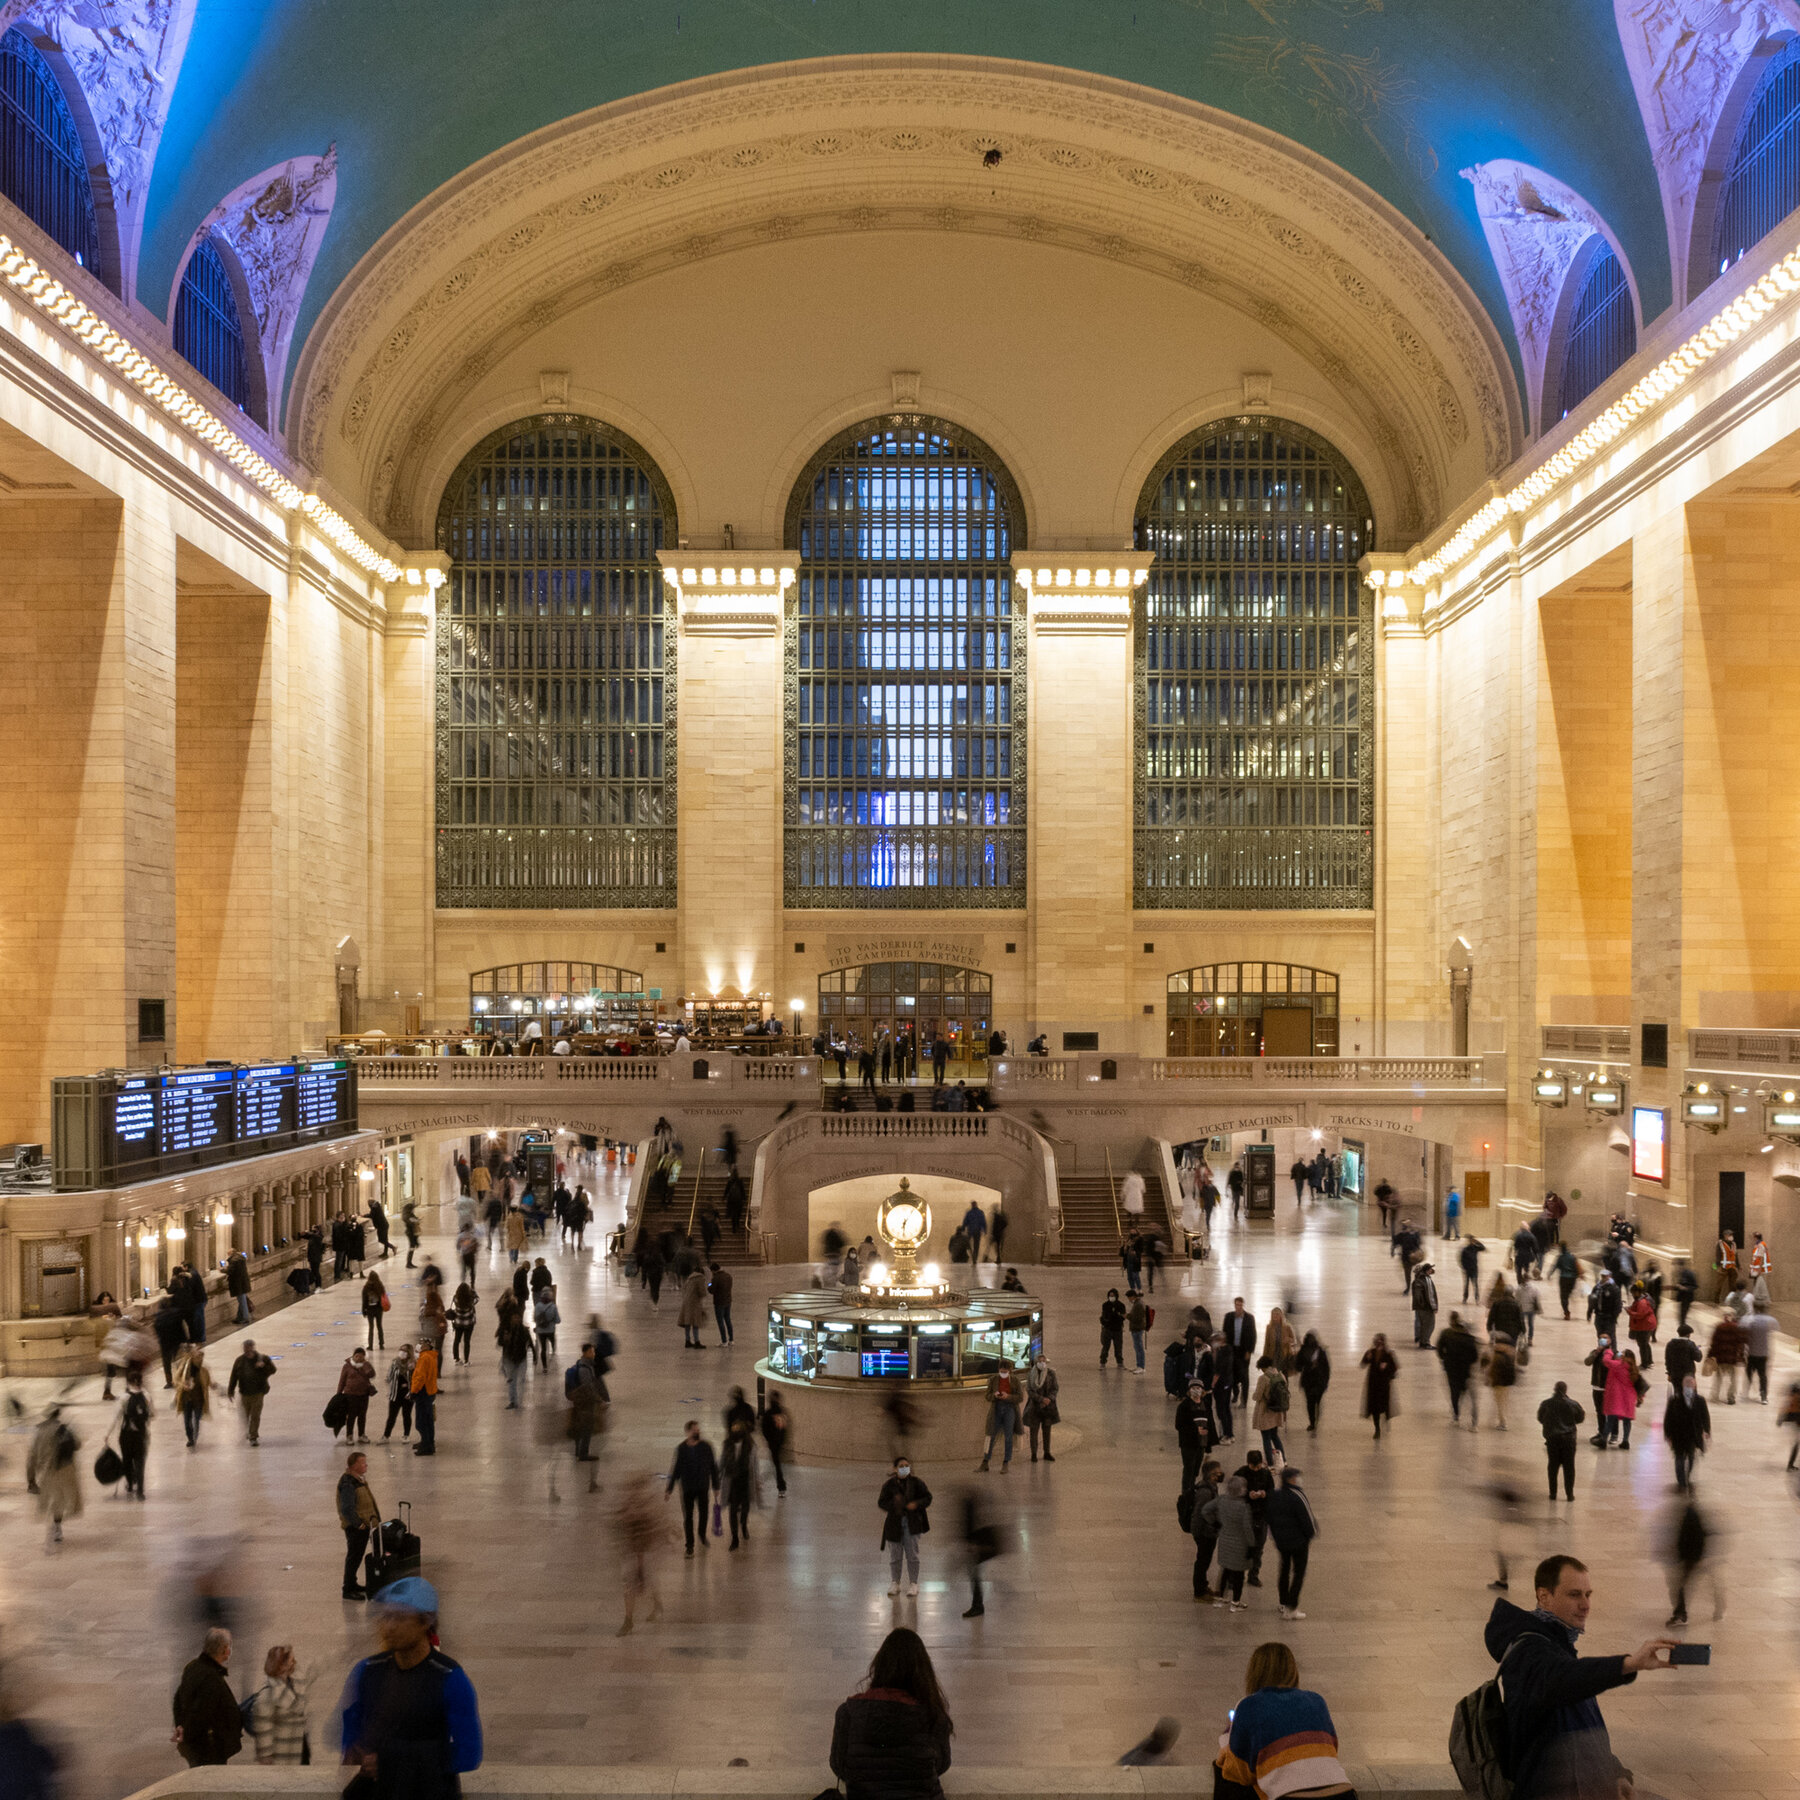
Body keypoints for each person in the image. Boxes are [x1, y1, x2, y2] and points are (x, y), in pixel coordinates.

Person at [1484, 1555, 1677, 1800]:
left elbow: (1582, 1723)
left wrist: (1615, 1773)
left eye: (1588, 1594)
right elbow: (1563, 1680)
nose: (1585, 1604)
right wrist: (1627, 1664)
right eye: (1574, 1594)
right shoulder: (1529, 1651)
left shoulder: (1557, 1644)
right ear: (1544, 1596)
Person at [338, 1575, 483, 1800]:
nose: (389, 1627)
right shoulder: (367, 1670)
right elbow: (351, 1726)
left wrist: (391, 1762)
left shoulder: (450, 1678)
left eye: (400, 1618)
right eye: (386, 1617)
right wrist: (354, 1747)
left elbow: (469, 1754)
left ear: (426, 1622)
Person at [829, 1627, 953, 1800]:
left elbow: (839, 1765)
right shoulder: (933, 1715)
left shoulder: (849, 1713)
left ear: (880, 1666)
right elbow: (941, 1765)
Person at [1214, 1642, 1350, 1796]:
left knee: (1223, 1774)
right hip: (1343, 1792)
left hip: (1293, 1797)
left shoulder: (1249, 1705)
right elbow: (1331, 1747)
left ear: (1255, 1672)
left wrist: (1228, 1739)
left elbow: (1239, 1773)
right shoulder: (1316, 1700)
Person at [172, 1628, 241, 1767]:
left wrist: (180, 1725)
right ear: (224, 1650)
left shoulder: (193, 1667)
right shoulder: (211, 1678)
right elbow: (202, 1713)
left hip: (197, 1744)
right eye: (229, 1646)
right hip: (209, 1748)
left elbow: (178, 1699)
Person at [1264, 1466, 1318, 1621]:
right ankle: (1291, 1608)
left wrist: (1275, 1535)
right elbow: (1307, 1519)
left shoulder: (1274, 1495)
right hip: (1298, 1542)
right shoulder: (1297, 1495)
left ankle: (1283, 1602)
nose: (1299, 1479)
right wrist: (1310, 1535)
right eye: (1296, 1477)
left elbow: (1268, 1517)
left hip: (1281, 1541)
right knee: (1299, 1573)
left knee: (1284, 1570)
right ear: (1290, 1479)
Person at [1201, 1475, 1257, 1612]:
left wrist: (1215, 1523)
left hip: (1224, 1540)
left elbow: (1205, 1510)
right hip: (1240, 1544)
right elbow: (1247, 1529)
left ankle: (1220, 1598)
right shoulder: (1243, 1507)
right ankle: (1235, 1602)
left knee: (1225, 1570)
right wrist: (1252, 1545)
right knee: (1238, 1574)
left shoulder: (1222, 1500)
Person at [878, 1454, 932, 1596]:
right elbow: (881, 1502)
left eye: (906, 1466)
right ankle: (895, 1582)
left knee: (912, 1555)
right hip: (894, 1524)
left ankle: (913, 1583)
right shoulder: (889, 1485)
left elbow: (928, 1497)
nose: (904, 1468)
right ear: (895, 1469)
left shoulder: (916, 1483)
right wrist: (894, 1505)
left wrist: (916, 1504)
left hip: (912, 1524)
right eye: (901, 1466)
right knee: (895, 1556)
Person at [26, 1407, 80, 1548]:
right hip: (65, 1470)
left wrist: (30, 1478)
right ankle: (57, 1525)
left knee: (54, 1500)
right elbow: (78, 1445)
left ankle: (56, 1526)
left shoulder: (39, 1432)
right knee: (58, 1500)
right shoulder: (64, 1428)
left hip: (47, 1471)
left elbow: (31, 1457)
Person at [248, 1645, 310, 1765]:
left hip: (298, 1752)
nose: (295, 1663)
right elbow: (264, 1731)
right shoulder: (267, 1695)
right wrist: (266, 1758)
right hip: (282, 1759)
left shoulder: (293, 1684)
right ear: (282, 1666)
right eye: (291, 1660)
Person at [666, 1419, 718, 1556]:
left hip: (702, 1487)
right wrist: (669, 1488)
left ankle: (701, 1533)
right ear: (688, 1432)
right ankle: (690, 1545)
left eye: (698, 1429)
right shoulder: (681, 1449)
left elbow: (713, 1467)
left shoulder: (706, 1447)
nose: (697, 1431)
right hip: (688, 1488)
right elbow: (676, 1469)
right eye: (694, 1430)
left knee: (704, 1513)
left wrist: (716, 1486)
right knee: (688, 1517)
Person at [1537, 1381, 1584, 1501]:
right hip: (1568, 1439)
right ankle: (1570, 1494)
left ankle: (1553, 1493)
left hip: (1552, 1438)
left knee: (1552, 1466)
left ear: (1554, 1389)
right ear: (1565, 1390)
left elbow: (1540, 1418)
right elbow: (1580, 1417)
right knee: (1569, 1467)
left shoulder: (1546, 1403)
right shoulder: (1573, 1404)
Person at [1663, 1376, 1711, 1491]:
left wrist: (1707, 1430)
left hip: (1693, 1435)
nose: (1689, 1388)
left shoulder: (1700, 1401)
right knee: (1679, 1458)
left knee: (1691, 1457)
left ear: (1694, 1387)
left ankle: (1687, 1476)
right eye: (1687, 1385)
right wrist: (1668, 1434)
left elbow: (1705, 1417)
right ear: (1683, 1386)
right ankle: (1681, 1480)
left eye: (1691, 1385)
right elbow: (1668, 1419)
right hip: (1678, 1435)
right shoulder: (1674, 1400)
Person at [1188, 1457, 1224, 1600]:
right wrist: (1197, 1533)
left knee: (1206, 1560)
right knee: (1202, 1561)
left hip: (1210, 1532)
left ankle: (1203, 1585)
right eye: (1218, 1473)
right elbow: (1199, 1513)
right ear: (1211, 1475)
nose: (1220, 1475)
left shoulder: (1212, 1487)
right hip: (1204, 1532)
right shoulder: (1205, 1491)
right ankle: (1199, 1592)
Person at [226, 1340, 275, 1446]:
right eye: (244, 1348)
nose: (246, 1350)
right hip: (244, 1393)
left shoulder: (262, 1358)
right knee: (245, 1415)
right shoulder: (239, 1361)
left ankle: (253, 1436)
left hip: (258, 1393)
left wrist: (263, 1366)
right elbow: (234, 1376)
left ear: (252, 1347)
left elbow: (273, 1370)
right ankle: (248, 1432)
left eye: (248, 1347)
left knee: (255, 1415)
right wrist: (230, 1390)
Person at [1437, 1311, 1481, 1428]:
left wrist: (1444, 1358)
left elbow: (1439, 1348)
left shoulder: (1446, 1334)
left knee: (1454, 1391)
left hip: (1451, 1367)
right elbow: (1475, 1356)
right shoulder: (1469, 1338)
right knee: (1466, 1391)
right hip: (1465, 1369)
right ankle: (1472, 1420)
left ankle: (1456, 1415)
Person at [719, 1417, 757, 1549]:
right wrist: (717, 1478)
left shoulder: (750, 1445)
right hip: (732, 1481)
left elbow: (753, 1465)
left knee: (745, 1507)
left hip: (745, 1480)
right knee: (733, 1510)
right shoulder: (727, 1444)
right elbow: (722, 1461)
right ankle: (735, 1538)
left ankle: (744, 1524)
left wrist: (756, 1481)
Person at [1249, 1357, 1289, 1464]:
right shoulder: (1281, 1375)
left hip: (1265, 1411)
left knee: (1266, 1438)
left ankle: (1270, 1462)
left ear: (1263, 1367)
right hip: (1277, 1411)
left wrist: (1253, 1395)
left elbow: (1257, 1396)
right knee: (1275, 1436)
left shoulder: (1264, 1378)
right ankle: (1283, 1460)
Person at [119, 1374, 152, 1499]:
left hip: (126, 1434)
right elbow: (152, 1414)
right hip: (141, 1434)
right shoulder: (146, 1396)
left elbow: (116, 1416)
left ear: (128, 1383)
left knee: (127, 1460)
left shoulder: (124, 1397)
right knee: (140, 1461)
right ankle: (140, 1491)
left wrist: (107, 1434)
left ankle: (130, 1484)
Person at [1360, 1334, 1398, 1440]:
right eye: (1377, 1343)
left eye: (1380, 1343)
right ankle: (1377, 1429)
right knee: (1375, 1409)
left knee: (1384, 1406)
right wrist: (1366, 1358)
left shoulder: (1388, 1354)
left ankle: (1386, 1418)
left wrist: (1387, 1367)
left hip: (1384, 1386)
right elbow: (1363, 1364)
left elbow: (1395, 1369)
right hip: (1373, 1386)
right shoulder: (1370, 1352)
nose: (1378, 1345)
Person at [173, 1344, 211, 1448]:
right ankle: (190, 1437)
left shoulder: (203, 1370)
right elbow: (176, 1380)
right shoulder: (182, 1367)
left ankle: (194, 1438)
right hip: (186, 1398)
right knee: (187, 1421)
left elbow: (208, 1382)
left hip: (198, 1399)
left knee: (196, 1420)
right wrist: (183, 1385)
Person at [1024, 1351, 1059, 1462]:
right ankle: (1033, 1453)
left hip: (1048, 1407)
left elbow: (1055, 1388)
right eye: (1040, 1361)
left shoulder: (1051, 1374)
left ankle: (1047, 1452)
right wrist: (1041, 1399)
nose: (1042, 1363)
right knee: (1034, 1431)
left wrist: (1048, 1399)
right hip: (1035, 1407)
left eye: (1044, 1361)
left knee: (1047, 1430)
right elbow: (1029, 1390)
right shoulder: (1031, 1374)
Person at [337, 1348, 376, 1443]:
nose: (358, 1358)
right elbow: (342, 1380)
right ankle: (349, 1435)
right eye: (356, 1356)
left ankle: (361, 1435)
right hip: (350, 1395)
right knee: (351, 1416)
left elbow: (372, 1375)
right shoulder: (347, 1366)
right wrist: (338, 1394)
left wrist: (365, 1365)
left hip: (363, 1395)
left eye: (361, 1356)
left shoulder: (366, 1365)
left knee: (362, 1416)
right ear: (353, 1356)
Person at [1708, 1310, 1746, 1405]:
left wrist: (1710, 1355)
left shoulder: (1719, 1327)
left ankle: (1715, 1395)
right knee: (1733, 1378)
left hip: (1720, 1357)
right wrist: (1741, 1357)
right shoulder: (1736, 1328)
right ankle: (1731, 1397)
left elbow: (1714, 1343)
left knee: (1718, 1377)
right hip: (1731, 1358)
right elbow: (1741, 1343)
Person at [1223, 1297, 1257, 1403]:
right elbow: (1224, 1334)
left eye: (1240, 1305)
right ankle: (1235, 1393)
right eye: (1237, 1305)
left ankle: (1244, 1400)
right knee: (1232, 1374)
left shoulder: (1249, 1318)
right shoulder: (1228, 1317)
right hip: (1232, 1351)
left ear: (1243, 1305)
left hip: (1243, 1352)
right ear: (1234, 1305)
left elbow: (1253, 1336)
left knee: (1244, 1376)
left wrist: (1249, 1351)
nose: (1238, 1307)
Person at [1295, 1331, 1331, 1431]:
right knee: (1314, 1403)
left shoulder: (1310, 1351)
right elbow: (1327, 1369)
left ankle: (1313, 1422)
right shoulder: (1319, 1351)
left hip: (1313, 1382)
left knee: (1311, 1403)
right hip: (1315, 1382)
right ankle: (1313, 1421)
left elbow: (1298, 1367)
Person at [1744, 1298, 1777, 1403]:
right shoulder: (1770, 1320)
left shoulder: (1749, 1319)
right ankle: (1764, 1396)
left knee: (1749, 1371)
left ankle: (1747, 1391)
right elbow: (1775, 1328)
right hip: (1763, 1353)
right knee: (1763, 1376)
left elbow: (1741, 1327)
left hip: (1751, 1352)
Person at [410, 1336, 438, 1456]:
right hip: (430, 1390)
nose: (420, 1345)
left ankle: (426, 1446)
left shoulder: (424, 1358)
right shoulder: (431, 1356)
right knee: (428, 1420)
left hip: (423, 1391)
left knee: (421, 1421)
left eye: (422, 1343)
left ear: (428, 1346)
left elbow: (420, 1377)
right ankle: (428, 1442)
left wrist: (414, 1391)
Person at [382, 1344, 416, 1442]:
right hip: (395, 1394)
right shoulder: (395, 1362)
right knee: (391, 1416)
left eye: (405, 1351)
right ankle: (386, 1436)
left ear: (409, 1353)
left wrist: (410, 1388)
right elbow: (389, 1377)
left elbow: (415, 1379)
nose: (402, 1352)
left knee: (406, 1415)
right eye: (401, 1350)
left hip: (407, 1395)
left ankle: (406, 1435)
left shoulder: (413, 1364)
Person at [677, 1264, 707, 1350]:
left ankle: (687, 1341)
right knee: (695, 1322)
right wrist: (709, 1285)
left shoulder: (689, 1278)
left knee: (687, 1322)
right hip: (694, 1303)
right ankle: (697, 1341)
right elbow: (702, 1292)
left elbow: (684, 1289)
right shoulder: (700, 1278)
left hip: (686, 1302)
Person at [1411, 1259, 1438, 1348]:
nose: (1432, 1270)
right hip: (1425, 1308)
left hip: (1423, 1307)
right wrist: (1431, 1306)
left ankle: (1423, 1341)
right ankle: (1425, 1343)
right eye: (1430, 1269)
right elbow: (1429, 1295)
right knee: (1429, 1325)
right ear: (1427, 1270)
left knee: (1425, 1325)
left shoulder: (1423, 1279)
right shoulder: (1423, 1280)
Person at [1099, 1288, 1126, 1367]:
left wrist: (1117, 1316)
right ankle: (1103, 1361)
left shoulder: (1121, 1305)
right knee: (1105, 1347)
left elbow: (1123, 1317)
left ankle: (1119, 1361)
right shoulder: (1105, 1305)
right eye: (1110, 1296)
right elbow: (1104, 1316)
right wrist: (1105, 1321)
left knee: (1118, 1347)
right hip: (1108, 1329)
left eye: (1113, 1296)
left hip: (1117, 1329)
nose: (1111, 1297)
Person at [709, 1261, 734, 1346]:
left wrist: (709, 1283)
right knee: (728, 1320)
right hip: (728, 1301)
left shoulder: (716, 1278)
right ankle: (731, 1339)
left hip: (719, 1302)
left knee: (720, 1322)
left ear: (713, 1270)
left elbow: (711, 1290)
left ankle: (724, 1341)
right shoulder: (728, 1276)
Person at [1552, 1244, 1579, 1319]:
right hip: (1572, 1279)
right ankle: (1569, 1295)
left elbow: (1555, 1266)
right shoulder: (1572, 1257)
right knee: (1568, 1293)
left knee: (1563, 1297)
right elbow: (1576, 1268)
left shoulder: (1560, 1257)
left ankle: (1566, 1312)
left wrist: (1549, 1274)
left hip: (1563, 1278)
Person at [226, 1250, 253, 1326]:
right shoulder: (240, 1258)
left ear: (231, 1253)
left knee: (242, 1301)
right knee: (242, 1301)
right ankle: (239, 1317)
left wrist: (222, 1270)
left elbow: (229, 1270)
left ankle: (245, 1318)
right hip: (243, 1284)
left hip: (239, 1284)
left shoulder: (234, 1260)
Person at [1459, 1236, 1486, 1303]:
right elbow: (1461, 1260)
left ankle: (1477, 1299)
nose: (1471, 1242)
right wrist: (1465, 1268)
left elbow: (1483, 1248)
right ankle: (1465, 1298)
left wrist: (1477, 1242)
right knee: (1466, 1285)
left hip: (1474, 1269)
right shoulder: (1465, 1250)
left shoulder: (1475, 1248)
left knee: (1475, 1285)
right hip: (1468, 1270)